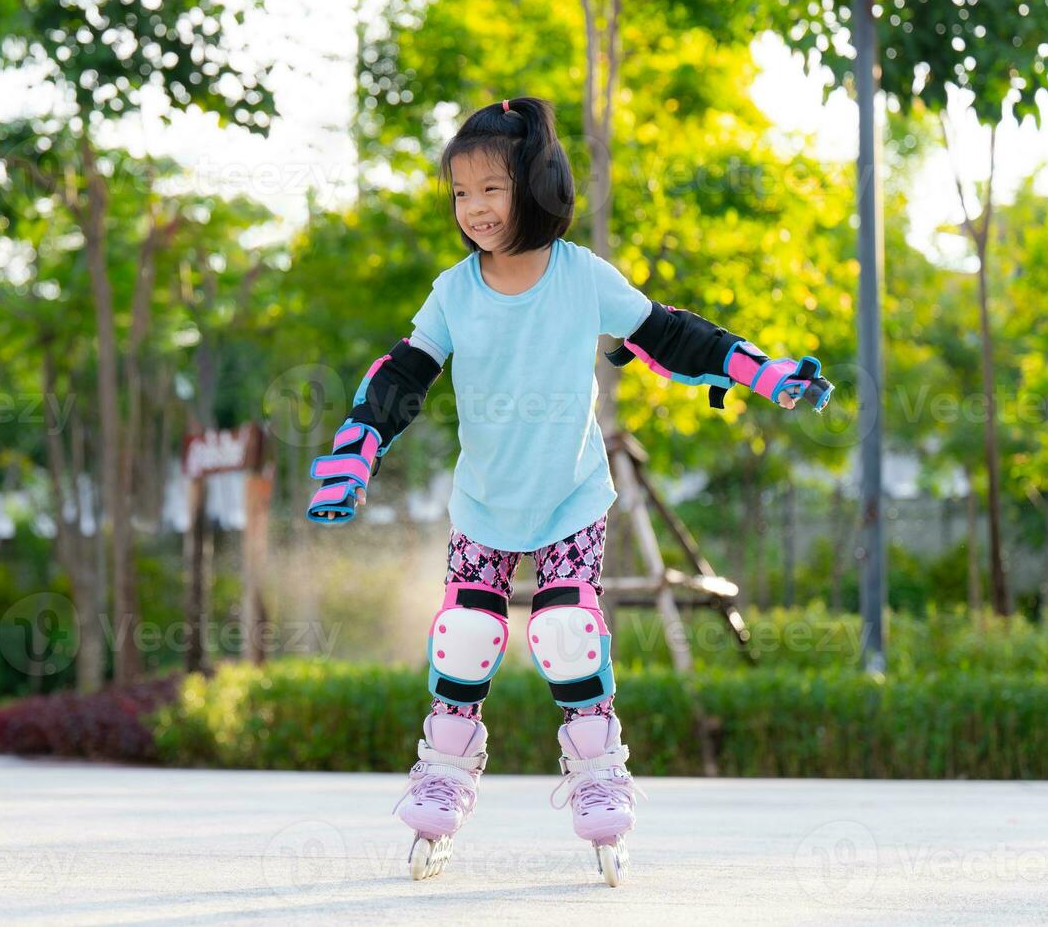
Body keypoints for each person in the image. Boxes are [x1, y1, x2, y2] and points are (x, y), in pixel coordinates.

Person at [306, 96, 832, 885]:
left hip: (571, 497)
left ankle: (598, 774)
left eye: (492, 188)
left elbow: (669, 333)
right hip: (485, 502)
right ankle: (445, 775)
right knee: (466, 635)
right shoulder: (454, 290)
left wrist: (761, 371)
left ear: (537, 184)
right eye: (461, 193)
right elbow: (402, 374)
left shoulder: (581, 275)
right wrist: (356, 450)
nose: (474, 208)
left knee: (563, 630)